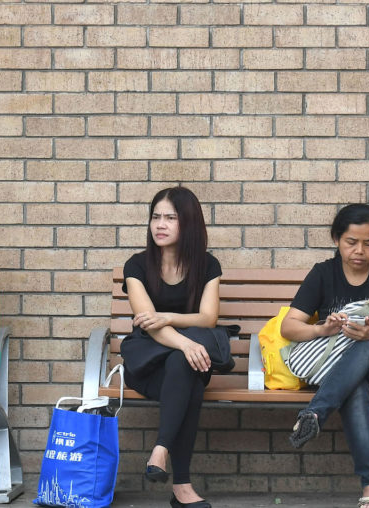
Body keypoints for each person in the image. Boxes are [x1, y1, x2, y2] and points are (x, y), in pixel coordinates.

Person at [280, 203, 369, 508]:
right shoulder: (323, 273)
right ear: (337, 239)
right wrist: (321, 330)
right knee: (355, 387)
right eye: (351, 242)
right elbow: (289, 326)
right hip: (340, 372)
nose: (360, 251)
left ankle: (316, 411)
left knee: (363, 348)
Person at [121, 186, 221, 508]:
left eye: (170, 218)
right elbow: (146, 323)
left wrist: (168, 317)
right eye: (155, 217)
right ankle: (182, 485)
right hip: (147, 365)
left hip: (187, 364)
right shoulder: (136, 266)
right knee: (187, 367)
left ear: (188, 223)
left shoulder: (207, 265)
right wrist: (186, 341)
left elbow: (208, 317)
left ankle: (161, 451)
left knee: (184, 366)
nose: (160, 224)